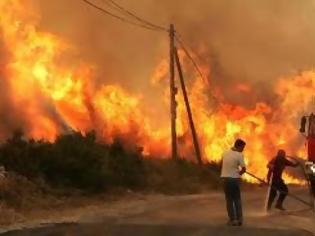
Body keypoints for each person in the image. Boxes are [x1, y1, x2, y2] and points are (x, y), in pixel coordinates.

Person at [221, 139, 247, 226]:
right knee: (237, 199)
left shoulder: (225, 153)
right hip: (234, 180)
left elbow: (226, 163)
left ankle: (232, 220)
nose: (243, 149)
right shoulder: (239, 155)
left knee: (229, 200)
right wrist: (239, 172)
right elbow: (244, 169)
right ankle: (239, 219)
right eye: (243, 147)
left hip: (225, 179)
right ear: (239, 146)